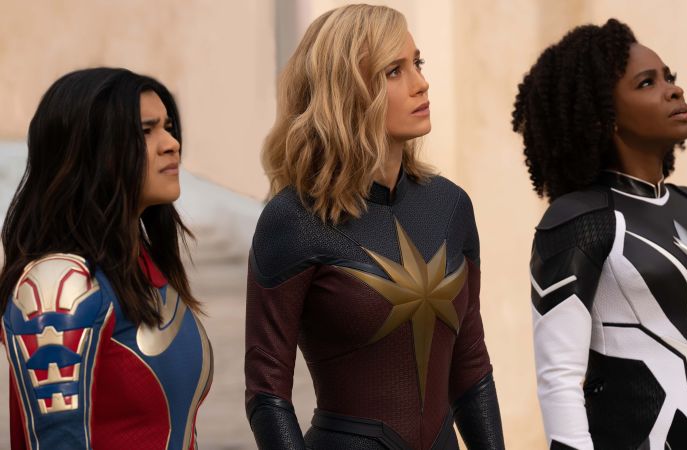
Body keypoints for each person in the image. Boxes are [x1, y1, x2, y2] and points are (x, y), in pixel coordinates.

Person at [245, 4, 504, 449]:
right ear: (346, 91)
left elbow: (471, 364)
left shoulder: (450, 205)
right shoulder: (294, 219)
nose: (421, 83)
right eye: (394, 71)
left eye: (418, 63)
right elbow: (267, 393)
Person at [512, 19, 687, 450]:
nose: (673, 91)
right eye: (647, 83)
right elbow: (559, 380)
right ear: (604, 116)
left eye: (670, 77)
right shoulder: (577, 221)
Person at [0, 68, 213, 450]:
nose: (171, 144)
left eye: (168, 127)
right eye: (146, 131)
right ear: (91, 149)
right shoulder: (59, 287)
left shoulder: (142, 266)